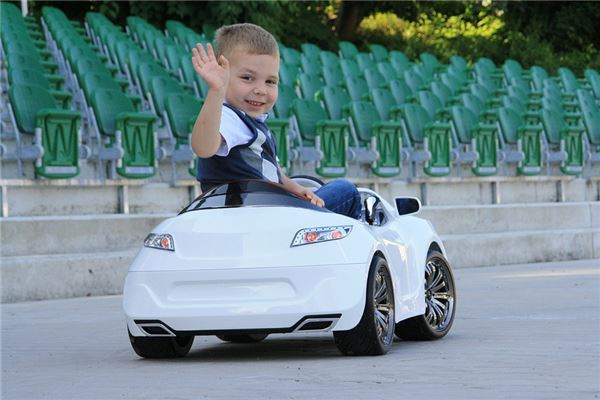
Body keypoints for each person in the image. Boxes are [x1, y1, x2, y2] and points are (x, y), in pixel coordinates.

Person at [191, 23, 361, 219]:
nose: (260, 90)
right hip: (257, 215)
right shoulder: (228, 117)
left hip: (267, 210)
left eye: (270, 81)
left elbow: (274, 174)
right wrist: (216, 91)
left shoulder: (253, 122)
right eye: (247, 78)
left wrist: (298, 189)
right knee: (346, 191)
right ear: (223, 73)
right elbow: (204, 148)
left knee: (320, 190)